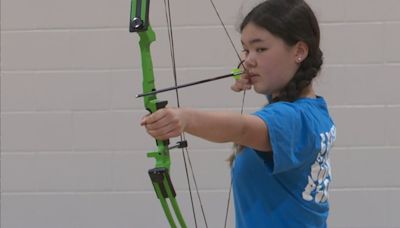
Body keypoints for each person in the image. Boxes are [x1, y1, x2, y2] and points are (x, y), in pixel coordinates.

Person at [141, 0, 336, 227]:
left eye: (260, 49)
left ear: (299, 51)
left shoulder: (293, 120)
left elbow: (242, 128)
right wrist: (258, 78)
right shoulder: (313, 111)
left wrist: (184, 119)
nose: (248, 60)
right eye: (246, 49)